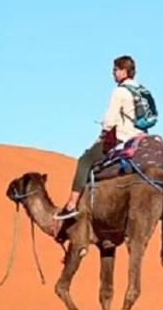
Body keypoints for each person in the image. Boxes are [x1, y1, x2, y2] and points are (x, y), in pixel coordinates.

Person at [57, 54, 150, 219]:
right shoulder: (143, 91)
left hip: (123, 139)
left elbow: (109, 122)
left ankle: (71, 204)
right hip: (142, 139)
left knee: (85, 160)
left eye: (116, 69)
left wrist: (100, 137)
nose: (113, 73)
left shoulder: (119, 92)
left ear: (124, 71)